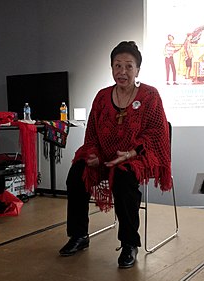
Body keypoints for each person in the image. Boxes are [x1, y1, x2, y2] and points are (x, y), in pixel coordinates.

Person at [59, 41, 172, 269]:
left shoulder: (150, 96)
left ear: (137, 70)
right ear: (111, 68)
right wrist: (94, 155)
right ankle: (79, 235)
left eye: (128, 66)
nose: (122, 72)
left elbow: (157, 135)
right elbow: (91, 134)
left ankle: (130, 243)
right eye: (117, 66)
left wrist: (130, 153)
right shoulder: (101, 97)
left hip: (136, 157)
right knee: (77, 173)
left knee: (123, 178)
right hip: (104, 157)